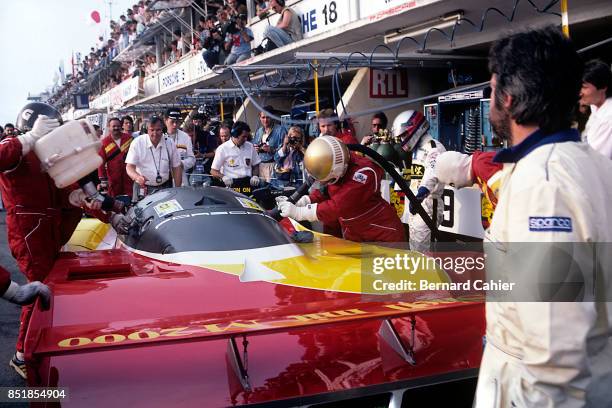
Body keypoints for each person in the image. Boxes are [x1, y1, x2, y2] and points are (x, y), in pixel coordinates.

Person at [474, 26, 612, 407]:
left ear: (509, 97)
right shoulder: (590, 164)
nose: (489, 102)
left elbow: (556, 350)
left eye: (491, 90)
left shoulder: (544, 185)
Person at [0, 103, 112, 379]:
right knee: (37, 290)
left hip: (46, 229)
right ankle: (22, 356)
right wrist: (27, 139)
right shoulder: (16, 148)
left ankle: (40, 345)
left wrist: (104, 212)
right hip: (28, 231)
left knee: (46, 288)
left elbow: (70, 191)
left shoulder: (46, 155)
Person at [278, 136, 405, 243]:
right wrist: (304, 200)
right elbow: (326, 191)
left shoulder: (364, 173)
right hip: (355, 234)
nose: (325, 183)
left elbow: (337, 206)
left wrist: (299, 212)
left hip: (382, 235)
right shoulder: (336, 166)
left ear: (338, 170)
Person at [391, 110, 446, 252]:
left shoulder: (434, 148)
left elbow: (432, 173)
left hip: (428, 205)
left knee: (424, 253)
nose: (402, 139)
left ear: (415, 128)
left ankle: (430, 274)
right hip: (416, 205)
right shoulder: (417, 151)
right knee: (415, 250)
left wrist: (420, 195)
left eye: (403, 135)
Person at [435, 150, 502, 229]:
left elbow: (509, 195)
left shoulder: (481, 165)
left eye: (452, 184)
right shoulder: (479, 174)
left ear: (456, 172)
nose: (457, 188)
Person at [125, 115, 182, 197]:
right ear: (147, 130)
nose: (155, 133)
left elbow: (176, 167)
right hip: (143, 187)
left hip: (165, 187)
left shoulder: (169, 142)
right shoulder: (137, 142)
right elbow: (129, 167)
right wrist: (137, 177)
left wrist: (178, 190)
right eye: (152, 130)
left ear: (163, 130)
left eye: (158, 130)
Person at [211, 121, 261, 188]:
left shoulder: (250, 146)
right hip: (231, 185)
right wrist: (223, 177)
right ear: (235, 135)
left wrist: (255, 176)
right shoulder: (222, 149)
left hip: (248, 184)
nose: (246, 139)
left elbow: (255, 165)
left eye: (247, 136)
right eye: (243, 137)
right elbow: (213, 171)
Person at [580, 59, 612, 159]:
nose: (579, 92)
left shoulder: (608, 118)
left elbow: (595, 160)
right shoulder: (595, 104)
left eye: (584, 87)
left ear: (603, 87)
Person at [98, 117, 134, 197]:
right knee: (115, 201)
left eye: (118, 126)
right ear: (109, 127)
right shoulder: (104, 143)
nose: (116, 128)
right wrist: (103, 181)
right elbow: (101, 163)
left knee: (131, 199)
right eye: (113, 126)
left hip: (129, 176)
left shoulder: (129, 139)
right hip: (113, 178)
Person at [252, 106, 286, 182]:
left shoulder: (280, 130)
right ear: (260, 118)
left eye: (268, 117)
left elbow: (286, 150)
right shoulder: (259, 131)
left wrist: (272, 149)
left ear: (272, 117)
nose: (265, 120)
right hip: (261, 166)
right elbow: (254, 146)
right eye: (263, 117)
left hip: (274, 165)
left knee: (274, 190)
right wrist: (256, 149)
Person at [164, 109, 195, 186]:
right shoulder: (159, 137)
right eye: (172, 122)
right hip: (164, 180)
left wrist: (181, 164)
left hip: (181, 179)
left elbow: (192, 159)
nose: (175, 125)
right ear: (166, 120)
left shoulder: (185, 137)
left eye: (177, 122)